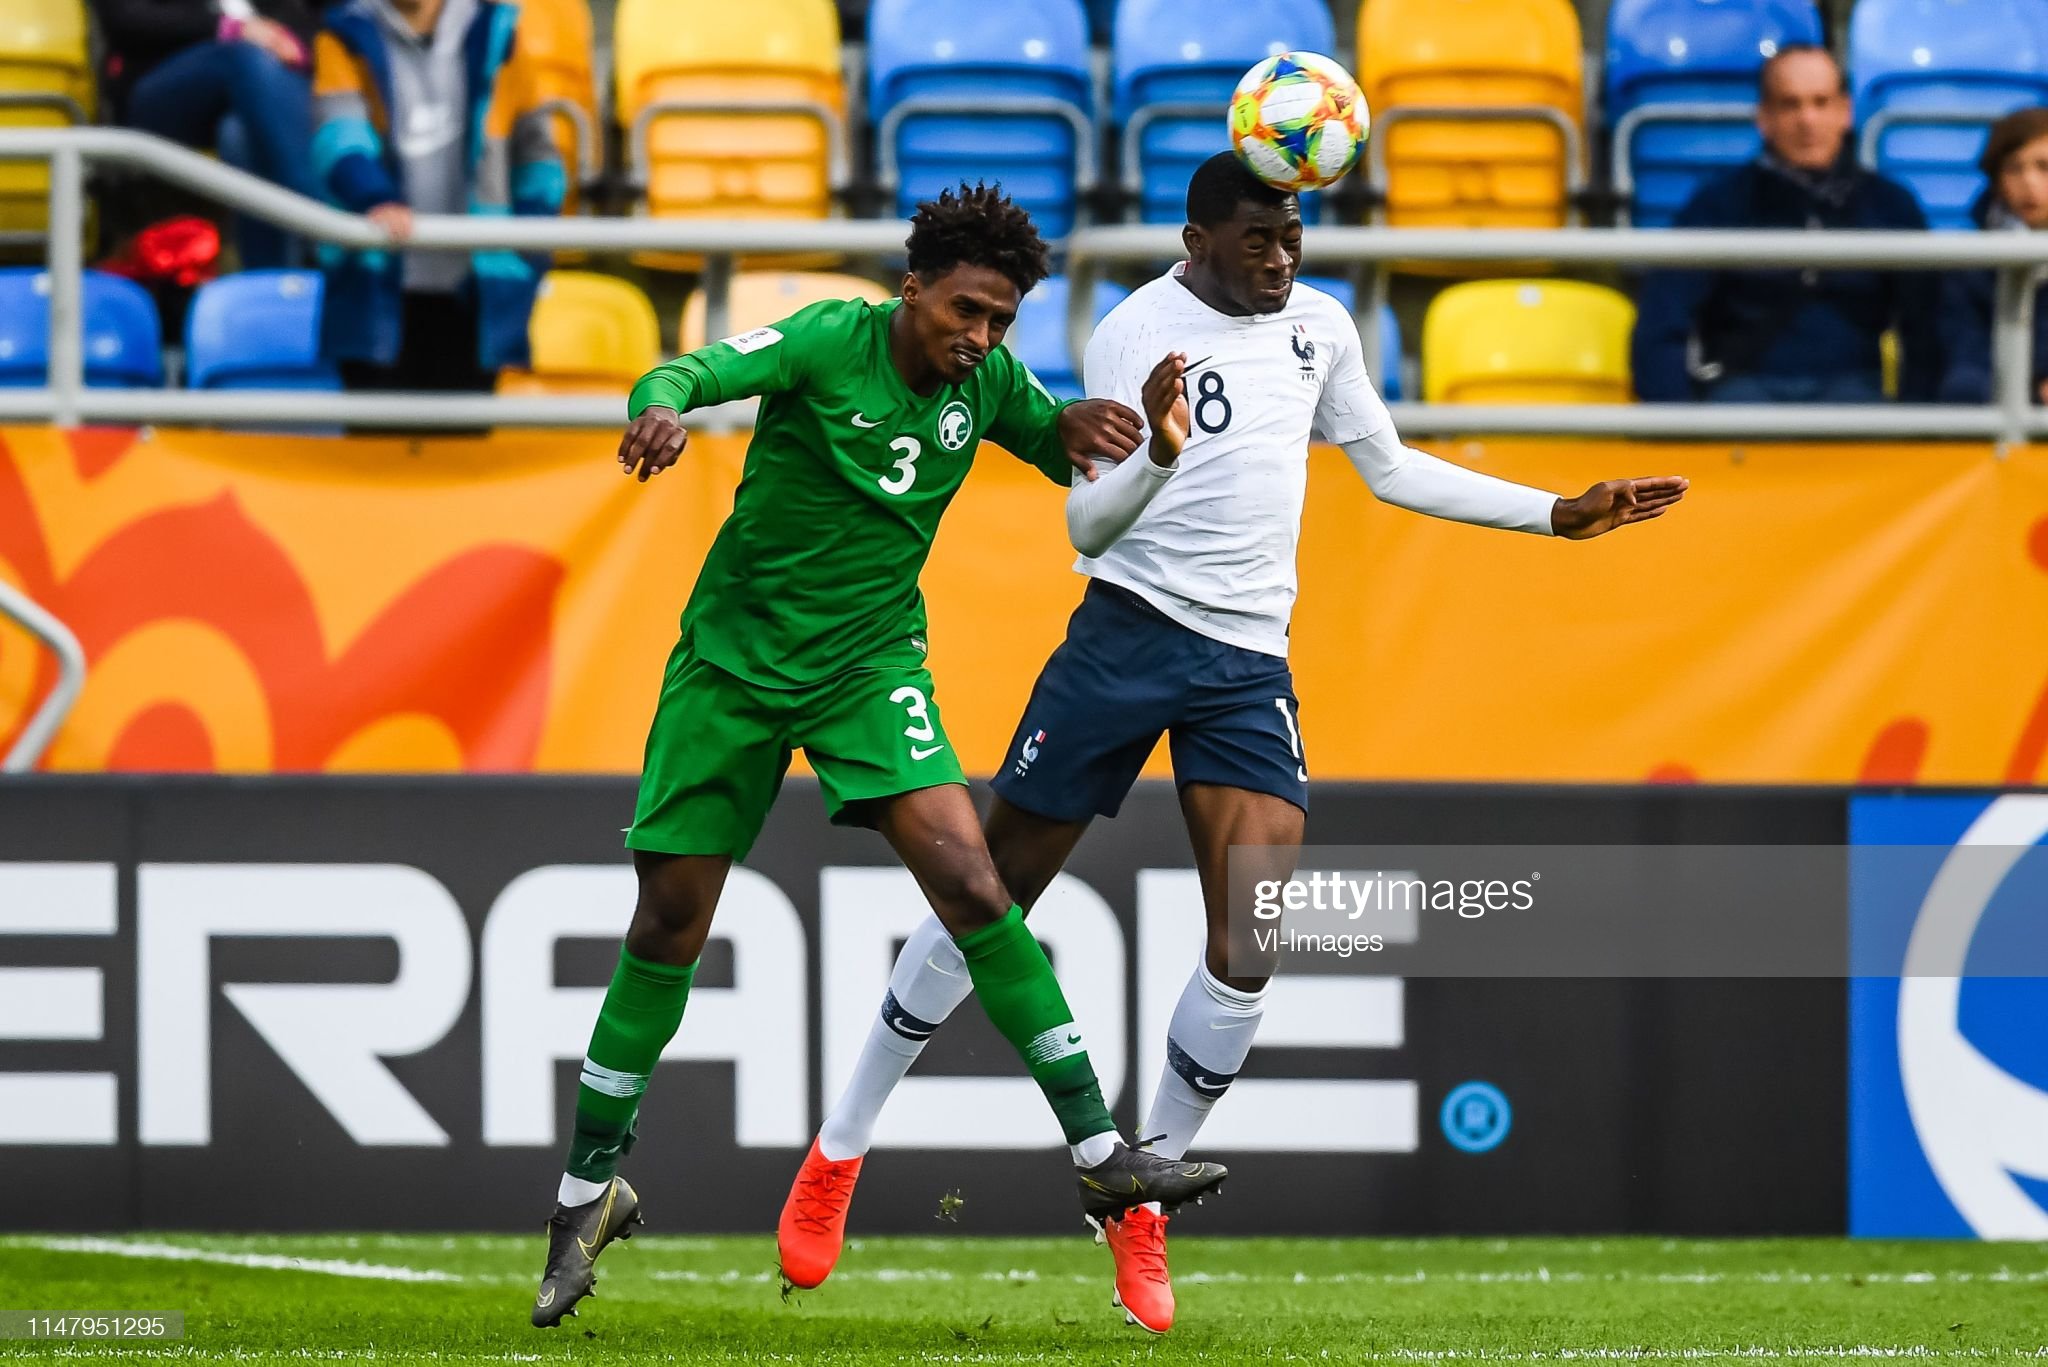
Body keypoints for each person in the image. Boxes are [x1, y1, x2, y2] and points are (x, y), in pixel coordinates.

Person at [781, 152, 1690, 1334]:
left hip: (1245, 660)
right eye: (1256, 238)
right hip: (1124, 637)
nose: (1281, 256)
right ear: (1195, 239)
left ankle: (1138, 1196)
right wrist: (1156, 453)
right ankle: (838, 1149)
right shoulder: (1132, 331)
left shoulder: (1320, 327)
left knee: (1252, 936)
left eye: (1292, 235)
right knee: (983, 893)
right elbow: (1081, 512)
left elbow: (1388, 466)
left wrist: (1552, 512)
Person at [529, 184, 1231, 1329]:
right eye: (964, 311)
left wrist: (1108, 438)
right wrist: (656, 408)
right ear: (910, 289)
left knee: (971, 881)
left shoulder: (988, 383)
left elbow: (1059, 452)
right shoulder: (824, 338)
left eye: (1002, 321)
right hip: (734, 667)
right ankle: (582, 1193)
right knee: (668, 922)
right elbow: (690, 374)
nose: (981, 339)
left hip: (868, 671)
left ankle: (1102, 1153)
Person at [1632, 44, 1941, 403]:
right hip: (1741, 400)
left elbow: (1929, 327)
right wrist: (1680, 426)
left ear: (1846, 112)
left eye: (1821, 102)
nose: (1807, 120)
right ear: (1763, 118)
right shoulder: (1716, 203)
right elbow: (1663, 320)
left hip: (1854, 400)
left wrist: (1916, 430)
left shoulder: (1891, 206)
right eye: (1790, 104)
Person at [312, 0, 566, 391]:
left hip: (477, 289)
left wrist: (529, 240)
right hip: (375, 283)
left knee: (463, 444)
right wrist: (374, 197)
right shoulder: (344, 35)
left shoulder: (500, 34)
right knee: (374, 444)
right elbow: (338, 137)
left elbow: (537, 155)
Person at [92, 0, 319, 270]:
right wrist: (231, 28)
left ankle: (270, 280)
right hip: (156, 87)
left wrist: (290, 43)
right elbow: (127, 18)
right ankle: (322, 216)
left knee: (238, 136)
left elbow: (304, 17)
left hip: (250, 95)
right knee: (244, 57)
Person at [1939, 106, 2048, 404]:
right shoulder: (1969, 264)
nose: (2030, 182)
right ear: (1997, 180)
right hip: (1990, 410)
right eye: (2014, 168)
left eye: (2044, 167)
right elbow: (1965, 355)